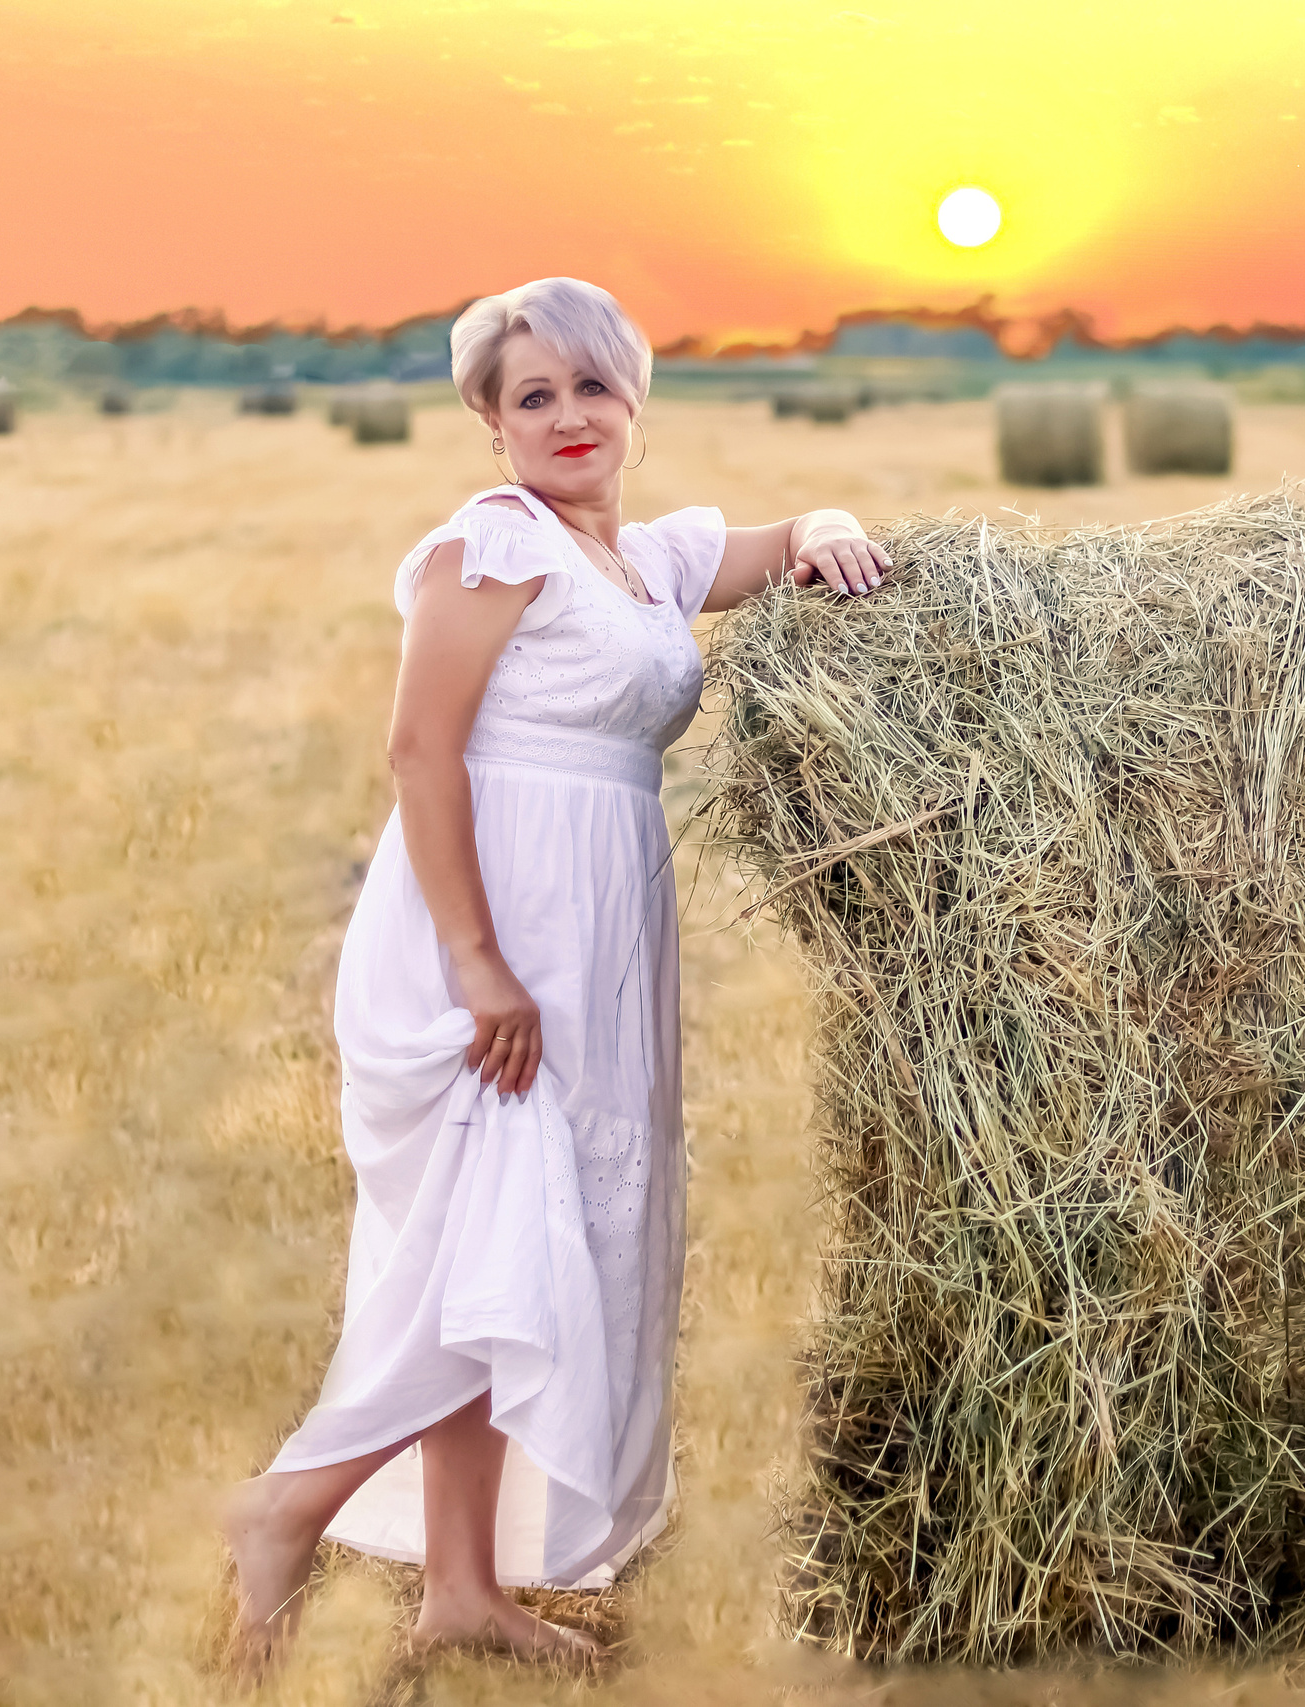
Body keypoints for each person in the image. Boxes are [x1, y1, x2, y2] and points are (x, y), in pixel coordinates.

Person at [216, 276, 890, 1672]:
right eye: (535, 395)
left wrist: (828, 529)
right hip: (497, 926)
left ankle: (462, 1591)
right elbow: (420, 752)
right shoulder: (496, 545)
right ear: (490, 420)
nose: (569, 415)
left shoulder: (645, 564)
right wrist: (478, 964)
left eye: (593, 387)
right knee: (497, 1236)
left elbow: (782, 542)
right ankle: (289, 1508)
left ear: (635, 403)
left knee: (522, 1243)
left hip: (601, 929)